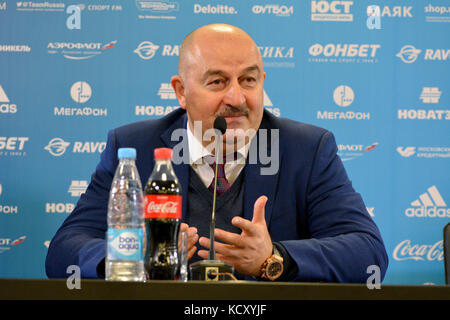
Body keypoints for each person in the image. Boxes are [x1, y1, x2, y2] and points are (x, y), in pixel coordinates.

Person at [46, 23, 388, 282]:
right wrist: (135, 257)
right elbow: (64, 252)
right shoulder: (136, 146)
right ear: (181, 92)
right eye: (218, 82)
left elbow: (368, 253)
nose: (237, 99)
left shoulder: (307, 149)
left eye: (249, 80)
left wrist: (273, 258)